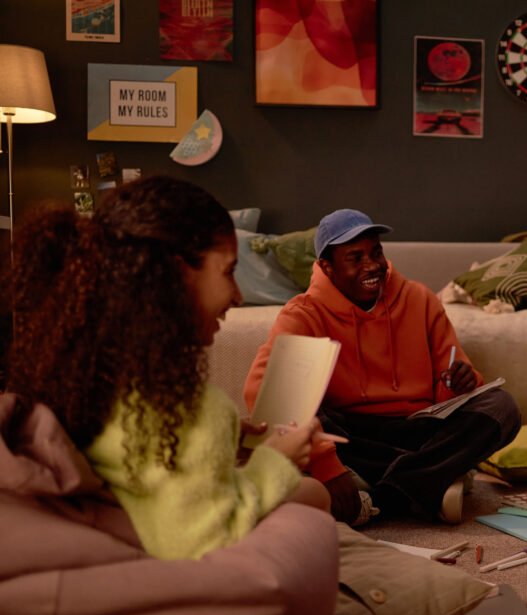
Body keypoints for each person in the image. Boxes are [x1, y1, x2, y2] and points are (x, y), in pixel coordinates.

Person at [5, 176, 331, 561]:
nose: (238, 295)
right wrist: (276, 459)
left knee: (311, 493)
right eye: (228, 271)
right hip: (184, 557)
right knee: (314, 498)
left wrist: (225, 436)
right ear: (178, 276)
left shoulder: (85, 371)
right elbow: (204, 540)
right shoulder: (182, 408)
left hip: (127, 529)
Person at [244, 208, 521, 523]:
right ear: (327, 267)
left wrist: (460, 384)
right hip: (353, 435)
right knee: (309, 415)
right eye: (356, 258)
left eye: (376, 252)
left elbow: (451, 384)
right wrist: (327, 467)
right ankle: (435, 479)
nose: (372, 265)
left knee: (502, 408)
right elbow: (267, 394)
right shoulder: (303, 314)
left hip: (419, 428)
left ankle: (382, 498)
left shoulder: (420, 299)